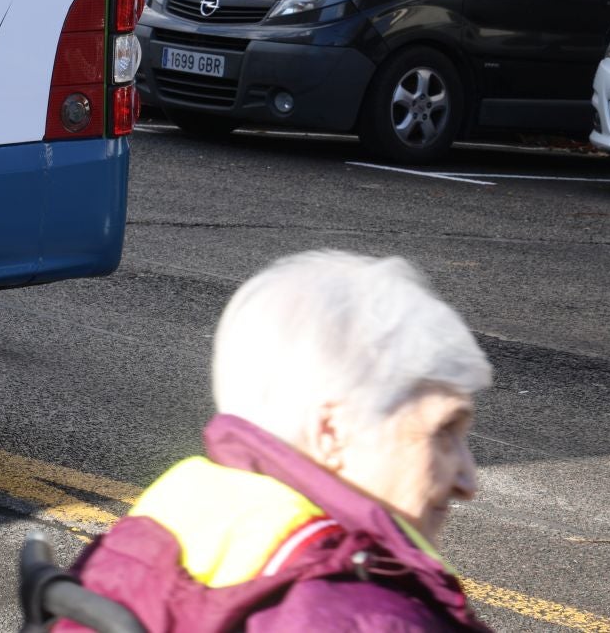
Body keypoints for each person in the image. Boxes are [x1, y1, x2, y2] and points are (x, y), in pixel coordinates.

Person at [59, 251, 494, 632]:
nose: (467, 481)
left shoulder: (169, 529)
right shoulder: (371, 618)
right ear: (333, 432)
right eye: (442, 433)